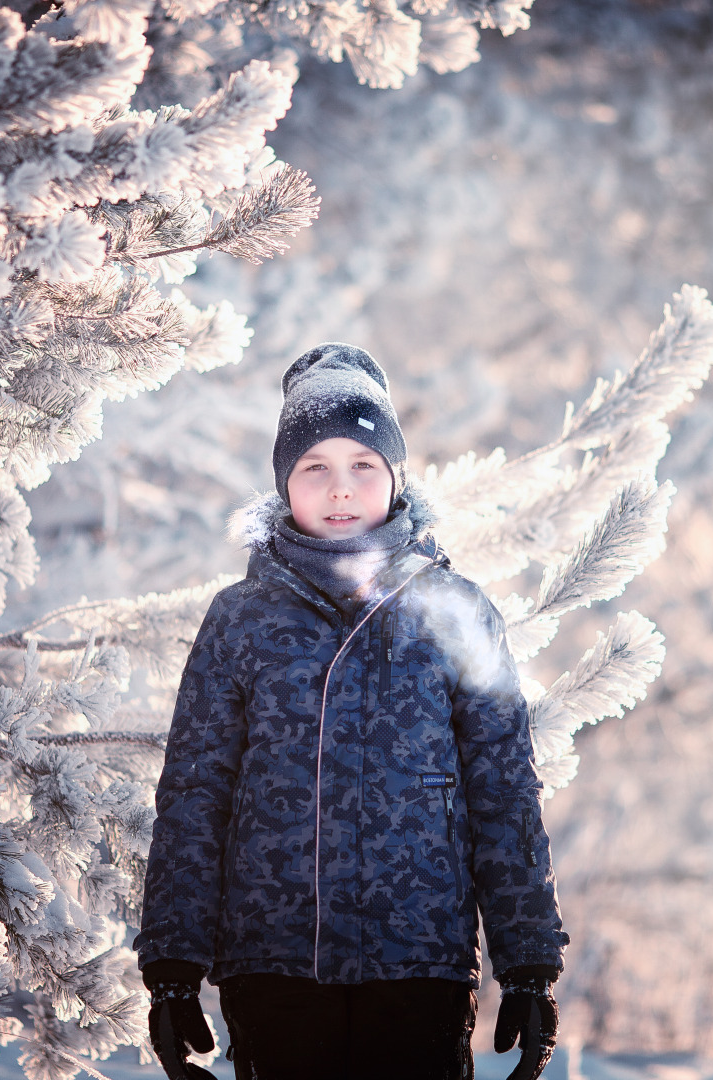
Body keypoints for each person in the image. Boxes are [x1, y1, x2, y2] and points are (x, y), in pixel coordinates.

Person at [134, 344, 568, 1080]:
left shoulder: (455, 611)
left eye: (364, 464)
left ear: (396, 477)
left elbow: (504, 794)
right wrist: (173, 969)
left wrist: (527, 967)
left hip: (418, 965)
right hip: (272, 967)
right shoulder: (240, 621)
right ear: (285, 484)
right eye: (316, 468)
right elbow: (193, 796)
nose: (341, 489)